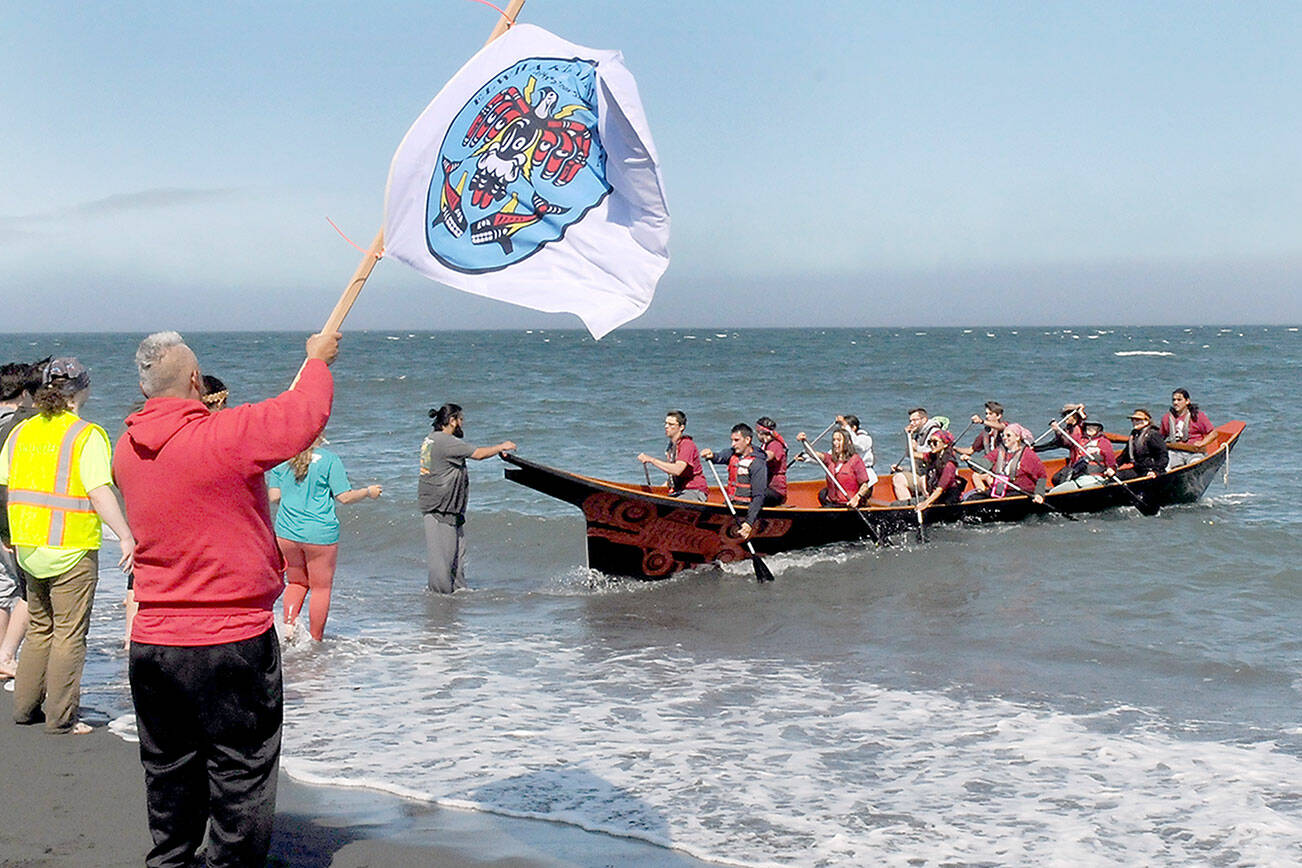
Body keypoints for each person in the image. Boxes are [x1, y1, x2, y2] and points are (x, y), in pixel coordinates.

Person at [112, 330, 338, 867]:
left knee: (169, 768)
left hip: (155, 642)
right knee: (241, 772)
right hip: (230, 640)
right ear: (195, 381)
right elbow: (302, 416)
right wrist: (317, 362)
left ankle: (171, 860)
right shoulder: (222, 437)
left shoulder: (126, 447)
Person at [0, 357, 135, 734]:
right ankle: (61, 717)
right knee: (69, 633)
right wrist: (125, 534)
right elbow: (99, 491)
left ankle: (25, 707)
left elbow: (5, 484)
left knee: (41, 627)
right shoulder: (85, 434)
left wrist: (8, 534)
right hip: (70, 548)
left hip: (28, 546)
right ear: (82, 390)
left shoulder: (21, 432)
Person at [268, 437, 382, 640]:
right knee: (321, 588)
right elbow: (345, 497)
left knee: (296, 583)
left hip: (286, 532)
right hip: (320, 534)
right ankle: (315, 640)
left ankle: (289, 629)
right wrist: (368, 492)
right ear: (319, 434)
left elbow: (274, 497)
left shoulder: (282, 459)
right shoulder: (330, 460)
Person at [420, 403, 516, 594]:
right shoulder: (444, 441)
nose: (462, 424)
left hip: (449, 508)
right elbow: (478, 454)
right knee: (442, 565)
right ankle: (439, 609)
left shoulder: (433, 439)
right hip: (440, 508)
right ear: (452, 420)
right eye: (461, 419)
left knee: (457, 561)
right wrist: (501, 447)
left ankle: (457, 601)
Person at [0, 359, 46, 680]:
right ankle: (6, 654)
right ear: (23, 393)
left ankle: (2, 654)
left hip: (4, 519)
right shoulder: (19, 426)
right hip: (11, 520)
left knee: (3, 590)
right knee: (26, 591)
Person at [701, 424, 769, 539]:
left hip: (745, 508)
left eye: (736, 440)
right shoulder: (732, 453)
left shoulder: (757, 463)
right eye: (732, 440)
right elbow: (721, 456)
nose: (733, 444)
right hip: (731, 504)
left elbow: (758, 496)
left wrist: (749, 523)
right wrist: (711, 455)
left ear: (747, 440)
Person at [966, 423, 1047, 503]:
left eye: (1008, 435)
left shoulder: (1028, 455)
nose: (1005, 438)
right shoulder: (999, 452)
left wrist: (1039, 494)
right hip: (1001, 490)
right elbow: (984, 465)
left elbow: (1041, 476)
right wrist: (970, 460)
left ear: (1017, 437)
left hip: (1020, 491)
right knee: (973, 498)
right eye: (1003, 436)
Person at [637, 410, 707, 501]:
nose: (666, 426)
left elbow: (677, 470)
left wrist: (651, 460)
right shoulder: (671, 447)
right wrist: (659, 489)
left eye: (671, 424)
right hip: (679, 490)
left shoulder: (687, 445)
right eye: (666, 423)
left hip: (694, 491)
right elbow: (673, 476)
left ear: (681, 427)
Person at [797, 428, 871, 507]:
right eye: (834, 440)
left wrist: (856, 498)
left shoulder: (855, 460)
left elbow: (865, 485)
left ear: (848, 442)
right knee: (822, 494)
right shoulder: (830, 459)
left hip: (849, 504)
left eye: (839, 440)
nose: (835, 443)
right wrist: (804, 441)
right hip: (833, 503)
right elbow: (812, 453)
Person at [1047, 418, 1118, 492]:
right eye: (1088, 426)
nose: (1091, 428)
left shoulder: (1104, 442)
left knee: (1085, 491)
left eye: (1094, 426)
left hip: (1095, 480)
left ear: (1099, 429)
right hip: (1078, 479)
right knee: (1054, 491)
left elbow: (1112, 463)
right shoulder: (1080, 440)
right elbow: (1067, 439)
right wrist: (1057, 430)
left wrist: (1111, 469)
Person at [890, 408, 943, 501]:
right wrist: (909, 436)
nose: (911, 423)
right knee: (898, 477)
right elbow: (910, 454)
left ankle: (916, 507)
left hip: (933, 475)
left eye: (915, 420)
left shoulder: (934, 432)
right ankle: (907, 505)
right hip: (921, 473)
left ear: (924, 420)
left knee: (904, 479)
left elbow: (932, 454)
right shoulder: (918, 434)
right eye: (910, 421)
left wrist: (917, 447)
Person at [1160, 388, 1215, 467]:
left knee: (1195, 464)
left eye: (1179, 400)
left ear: (1187, 401)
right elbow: (1160, 437)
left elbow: (1213, 433)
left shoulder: (1197, 416)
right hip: (1175, 452)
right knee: (1165, 465)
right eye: (1174, 400)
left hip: (1194, 452)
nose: (1175, 403)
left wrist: (1202, 443)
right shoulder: (1166, 418)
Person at [914, 429, 967, 508]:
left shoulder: (949, 464)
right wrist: (910, 437)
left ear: (945, 445)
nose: (931, 445)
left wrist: (926, 503)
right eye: (930, 442)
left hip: (948, 497)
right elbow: (914, 455)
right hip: (937, 495)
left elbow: (940, 489)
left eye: (935, 442)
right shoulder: (933, 456)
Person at [1116, 408, 1168, 480]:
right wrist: (1114, 466)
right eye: (1133, 420)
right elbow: (1125, 455)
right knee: (1116, 475)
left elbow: (1163, 456)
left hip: (1150, 469)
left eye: (1137, 420)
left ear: (1146, 421)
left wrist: (1156, 471)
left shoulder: (1153, 435)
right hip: (1138, 468)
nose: (1134, 422)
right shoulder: (1134, 435)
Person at [835, 414, 878, 487]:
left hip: (865, 478)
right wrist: (810, 454)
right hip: (848, 476)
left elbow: (857, 445)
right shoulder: (843, 443)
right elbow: (828, 456)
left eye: (844, 428)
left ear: (853, 428)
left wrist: (844, 424)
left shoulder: (865, 438)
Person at [754, 416, 788, 505]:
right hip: (768, 488)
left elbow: (770, 455)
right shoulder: (765, 445)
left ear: (761, 433)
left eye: (757, 432)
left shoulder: (775, 445)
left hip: (777, 492)